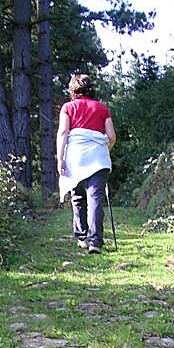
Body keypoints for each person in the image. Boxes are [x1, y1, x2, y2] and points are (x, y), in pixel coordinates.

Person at [56, 73, 116, 254]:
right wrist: (106, 150)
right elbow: (111, 137)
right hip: (99, 158)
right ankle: (95, 242)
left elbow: (63, 133)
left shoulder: (68, 107)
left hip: (76, 158)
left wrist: (60, 158)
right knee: (95, 198)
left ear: (73, 90)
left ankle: (82, 236)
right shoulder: (102, 108)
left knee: (78, 197)